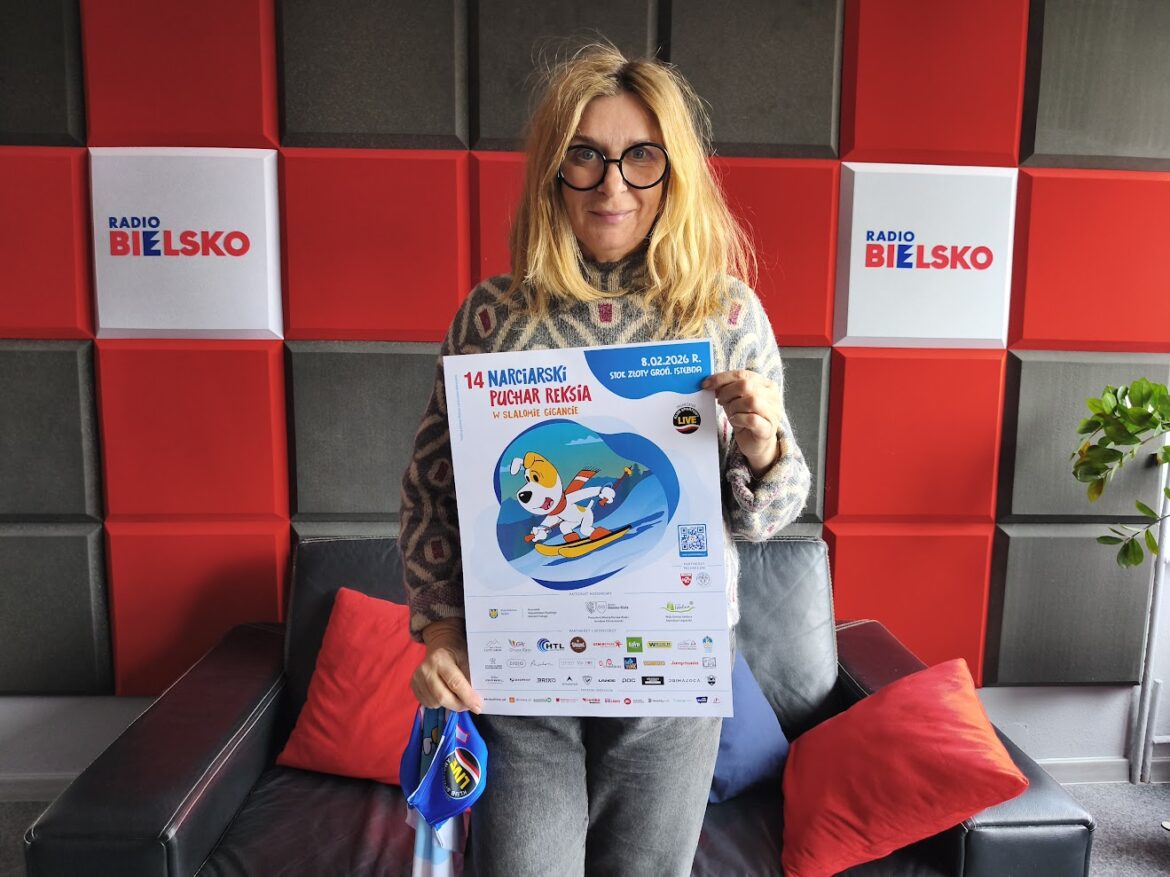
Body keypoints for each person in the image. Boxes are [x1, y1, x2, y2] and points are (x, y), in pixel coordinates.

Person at [400, 42, 812, 877]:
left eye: (640, 157)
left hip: (671, 677)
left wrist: (764, 445)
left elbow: (768, 516)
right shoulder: (492, 316)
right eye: (584, 156)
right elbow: (433, 492)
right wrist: (442, 634)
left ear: (673, 171)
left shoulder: (726, 312)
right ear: (553, 173)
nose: (612, 185)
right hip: (524, 672)